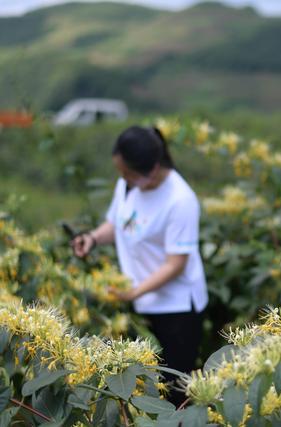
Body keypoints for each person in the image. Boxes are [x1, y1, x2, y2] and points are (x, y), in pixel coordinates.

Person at [72, 125, 208, 405]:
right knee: (145, 386)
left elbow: (176, 264)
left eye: (128, 174)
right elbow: (118, 223)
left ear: (154, 168)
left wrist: (134, 292)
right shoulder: (128, 184)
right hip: (143, 302)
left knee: (174, 391)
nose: (122, 179)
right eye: (121, 172)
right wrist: (93, 238)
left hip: (176, 309)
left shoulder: (180, 200)